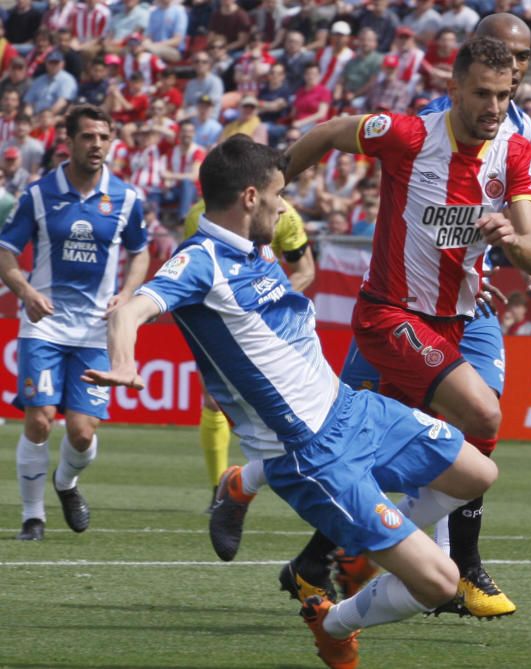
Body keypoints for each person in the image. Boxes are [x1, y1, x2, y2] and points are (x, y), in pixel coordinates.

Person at [85, 135, 499, 669]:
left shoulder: (254, 246)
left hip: (352, 410)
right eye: (280, 195)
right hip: (311, 455)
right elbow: (128, 313)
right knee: (441, 583)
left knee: (477, 473)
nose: (286, 206)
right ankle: (333, 624)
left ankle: (351, 535)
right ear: (251, 198)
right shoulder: (199, 261)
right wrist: (123, 361)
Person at [211, 32, 531, 622]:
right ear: (455, 88)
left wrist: (512, 242)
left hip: (462, 317)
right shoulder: (408, 135)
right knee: (481, 416)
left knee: (364, 451)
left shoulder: (516, 152)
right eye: (483, 93)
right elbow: (333, 130)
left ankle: (306, 533)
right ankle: (454, 562)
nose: (494, 105)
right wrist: (271, 193)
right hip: (391, 316)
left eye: (506, 90)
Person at [0, 105, 149, 541]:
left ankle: (65, 483)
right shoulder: (38, 194)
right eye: (88, 137)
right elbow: (6, 250)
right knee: (40, 419)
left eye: (104, 137)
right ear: (68, 141)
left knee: (82, 434)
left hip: (96, 330)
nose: (97, 144)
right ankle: (32, 518)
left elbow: (139, 251)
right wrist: (26, 292)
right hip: (43, 326)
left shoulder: (126, 197)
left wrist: (128, 291)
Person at [182, 194, 315, 504]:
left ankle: (261, 480)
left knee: (297, 410)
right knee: (214, 400)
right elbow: (194, 275)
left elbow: (305, 270)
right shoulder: (199, 215)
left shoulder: (286, 215)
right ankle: (220, 490)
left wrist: (269, 300)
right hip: (224, 321)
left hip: (275, 324)